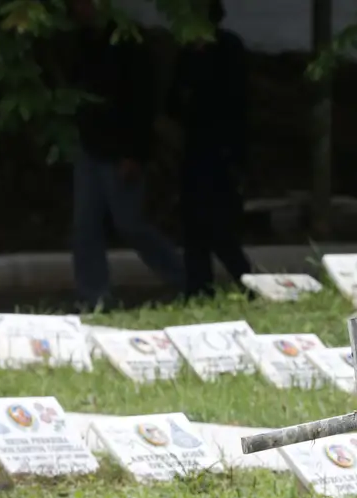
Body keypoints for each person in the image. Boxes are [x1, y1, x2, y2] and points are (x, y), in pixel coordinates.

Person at [68, 0, 182, 310]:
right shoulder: (81, 41)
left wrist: (134, 153)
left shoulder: (128, 43)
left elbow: (141, 102)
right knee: (85, 225)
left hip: (119, 148)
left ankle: (182, 277)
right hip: (90, 144)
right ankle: (94, 295)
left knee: (130, 222)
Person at [168, 0, 253, 298]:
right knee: (193, 225)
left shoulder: (229, 49)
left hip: (223, 150)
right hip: (195, 149)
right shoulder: (187, 54)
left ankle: (248, 282)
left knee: (219, 226)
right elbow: (174, 103)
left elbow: (237, 102)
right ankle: (199, 289)